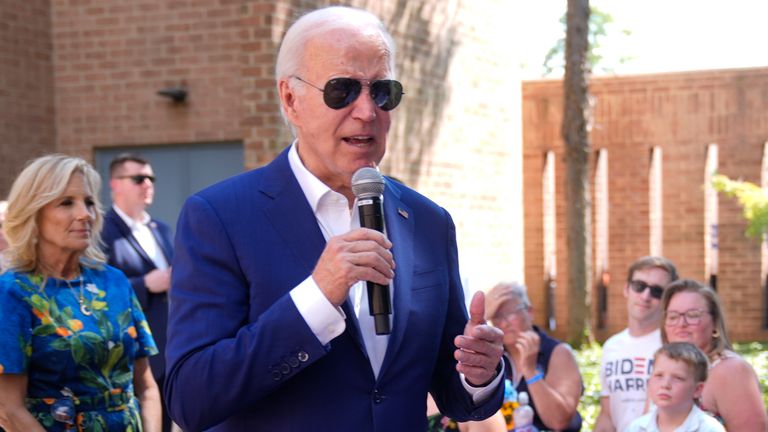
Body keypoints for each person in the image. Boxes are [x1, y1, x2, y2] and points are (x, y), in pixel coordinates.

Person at [164, 6, 505, 431]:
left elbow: (455, 395)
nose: (366, 111)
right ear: (291, 100)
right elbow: (191, 398)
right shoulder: (219, 217)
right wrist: (317, 297)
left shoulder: (428, 221)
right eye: (342, 90)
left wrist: (479, 375)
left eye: (382, 91)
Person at [0, 154, 161, 431]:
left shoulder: (115, 282)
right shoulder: (13, 292)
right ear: (34, 213)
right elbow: (10, 409)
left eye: (89, 202)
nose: (85, 213)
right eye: (66, 202)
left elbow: (146, 388)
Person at [101, 154, 174, 432]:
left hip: (168, 349)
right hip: (129, 354)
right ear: (115, 184)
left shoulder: (162, 229)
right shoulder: (103, 232)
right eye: (138, 178)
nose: (147, 184)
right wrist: (144, 284)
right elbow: (98, 291)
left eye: (151, 178)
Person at [661, 279, 768, 430]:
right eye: (673, 316)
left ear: (715, 323)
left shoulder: (731, 370)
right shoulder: (664, 370)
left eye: (692, 315)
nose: (681, 323)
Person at [595, 256, 678, 432]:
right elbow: (607, 415)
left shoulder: (673, 345)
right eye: (639, 286)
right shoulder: (612, 346)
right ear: (627, 289)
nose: (645, 296)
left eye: (656, 291)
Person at [485, 282, 583, 431]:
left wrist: (530, 371)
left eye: (510, 314)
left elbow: (559, 421)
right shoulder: (495, 357)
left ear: (529, 312)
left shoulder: (557, 352)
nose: (503, 324)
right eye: (496, 317)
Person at [626, 342, 725, 432]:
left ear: (697, 389)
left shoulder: (709, 429)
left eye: (678, 378)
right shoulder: (636, 428)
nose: (665, 385)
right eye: (659, 375)